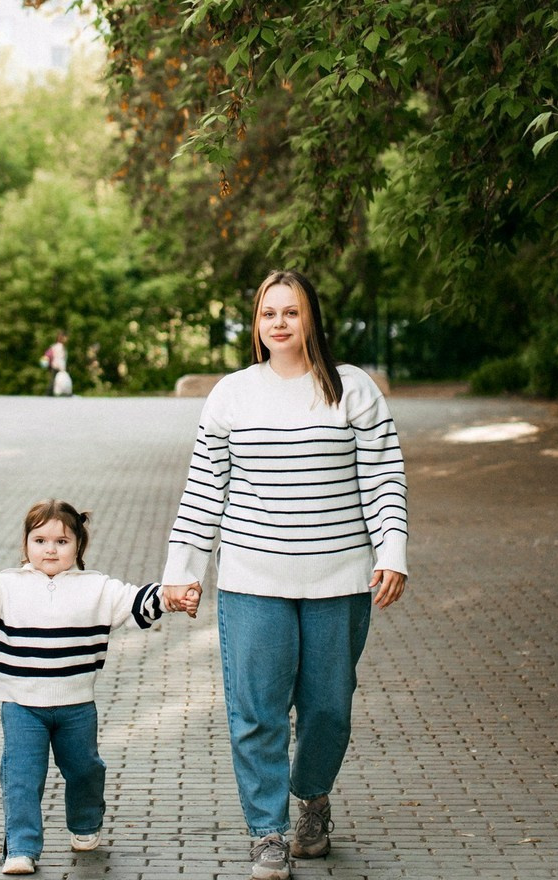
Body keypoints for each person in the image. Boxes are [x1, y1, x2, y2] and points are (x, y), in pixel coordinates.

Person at [161, 270, 408, 880]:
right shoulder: (232, 395)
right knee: (257, 711)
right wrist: (181, 571)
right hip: (253, 582)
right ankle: (266, 832)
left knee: (329, 709)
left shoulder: (352, 390)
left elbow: (383, 477)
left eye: (290, 312)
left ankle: (312, 794)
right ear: (256, 324)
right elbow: (203, 489)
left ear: (311, 320)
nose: (278, 323)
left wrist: (392, 551)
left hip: (340, 581)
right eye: (268, 313)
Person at [0, 498, 197, 875]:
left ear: (78, 546)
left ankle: (85, 823)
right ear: (26, 544)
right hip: (21, 705)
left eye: (62, 541)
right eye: (40, 540)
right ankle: (22, 848)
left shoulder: (97, 589)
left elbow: (138, 602)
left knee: (84, 769)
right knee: (22, 775)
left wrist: (171, 595)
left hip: (77, 706)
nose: (50, 549)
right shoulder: (7, 584)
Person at [41, 331, 71, 396]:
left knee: (58, 381)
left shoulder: (60, 347)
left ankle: (66, 394)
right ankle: (48, 394)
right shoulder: (56, 347)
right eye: (66, 337)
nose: (67, 339)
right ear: (62, 338)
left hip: (60, 368)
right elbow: (47, 356)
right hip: (56, 367)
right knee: (53, 382)